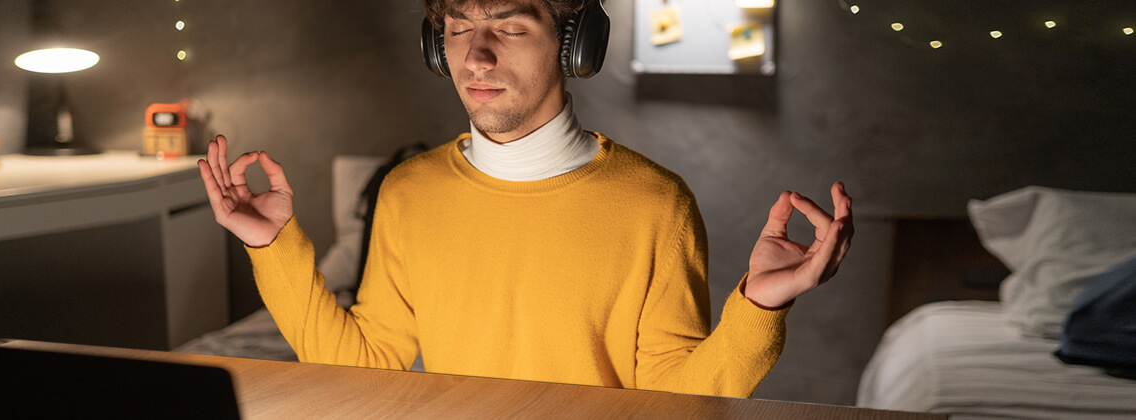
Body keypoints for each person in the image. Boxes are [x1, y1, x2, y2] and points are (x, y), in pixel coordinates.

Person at [197, 0, 853, 398]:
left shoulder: (658, 205)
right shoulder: (407, 192)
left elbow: (674, 399)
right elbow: (367, 365)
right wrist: (270, 245)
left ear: (574, 48)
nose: (475, 57)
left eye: (508, 28)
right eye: (456, 30)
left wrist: (762, 305)